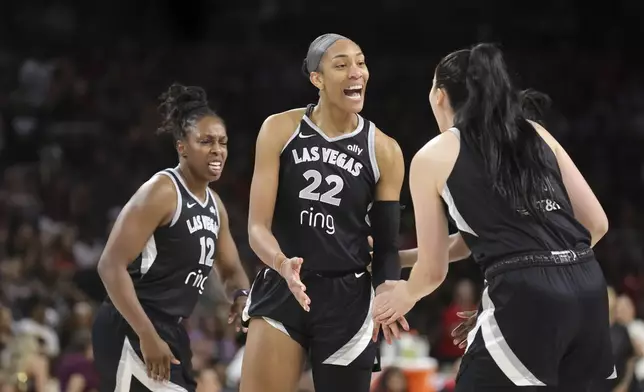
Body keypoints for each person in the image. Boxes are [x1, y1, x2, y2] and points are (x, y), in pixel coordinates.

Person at [373, 43, 615, 391]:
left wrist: (403, 295)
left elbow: (433, 271)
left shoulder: (433, 155)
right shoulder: (535, 132)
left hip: (524, 295)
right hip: (589, 289)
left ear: (440, 95)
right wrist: (544, 273)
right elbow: (596, 224)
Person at [241, 33, 408, 392]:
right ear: (317, 78)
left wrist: (388, 290)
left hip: (348, 299)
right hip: (283, 285)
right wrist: (282, 263)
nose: (356, 72)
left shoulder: (385, 151)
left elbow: (387, 246)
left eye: (361, 63)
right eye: (341, 64)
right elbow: (256, 227)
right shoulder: (279, 130)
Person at [92, 83, 250, 392]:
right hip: (131, 324)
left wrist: (241, 295)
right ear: (182, 147)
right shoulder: (163, 191)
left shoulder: (216, 206)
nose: (217, 149)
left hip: (173, 329)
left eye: (222, 142)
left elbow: (230, 270)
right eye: (205, 141)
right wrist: (147, 335)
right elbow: (109, 266)